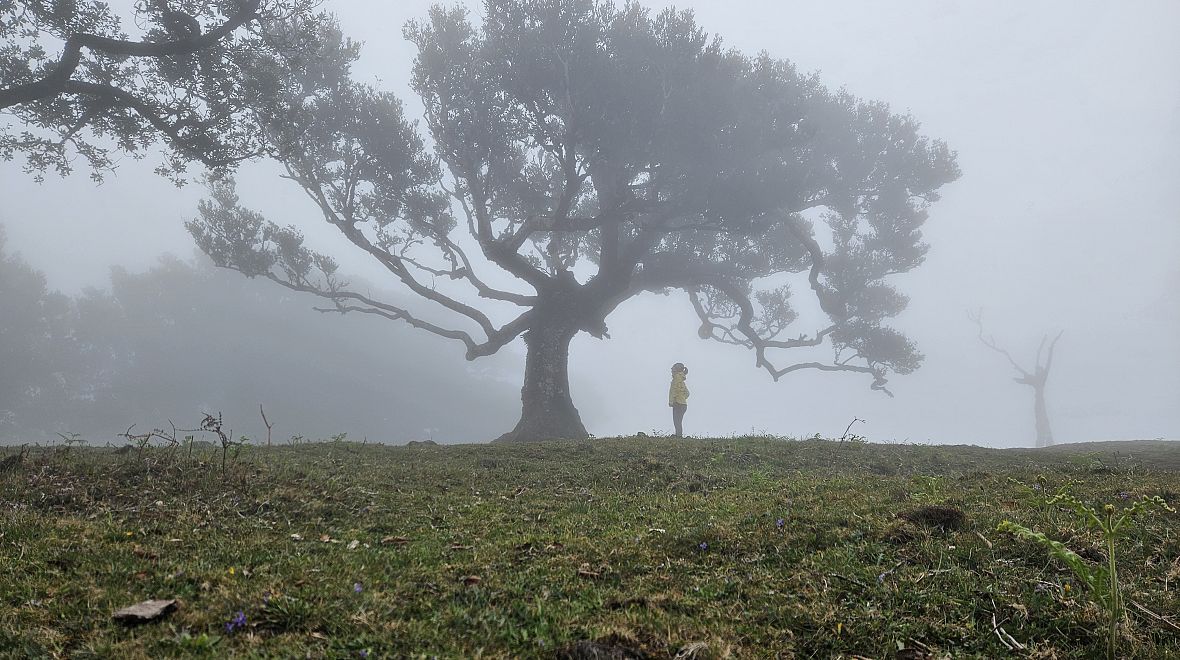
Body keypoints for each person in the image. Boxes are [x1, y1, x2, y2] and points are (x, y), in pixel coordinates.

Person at [668, 362, 690, 437]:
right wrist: (682, 398)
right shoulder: (682, 381)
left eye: (673, 368)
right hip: (683, 404)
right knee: (679, 421)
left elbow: (673, 390)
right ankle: (678, 435)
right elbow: (687, 393)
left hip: (677, 403)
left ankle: (678, 436)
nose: (671, 370)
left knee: (676, 421)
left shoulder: (676, 378)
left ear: (676, 369)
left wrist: (671, 401)